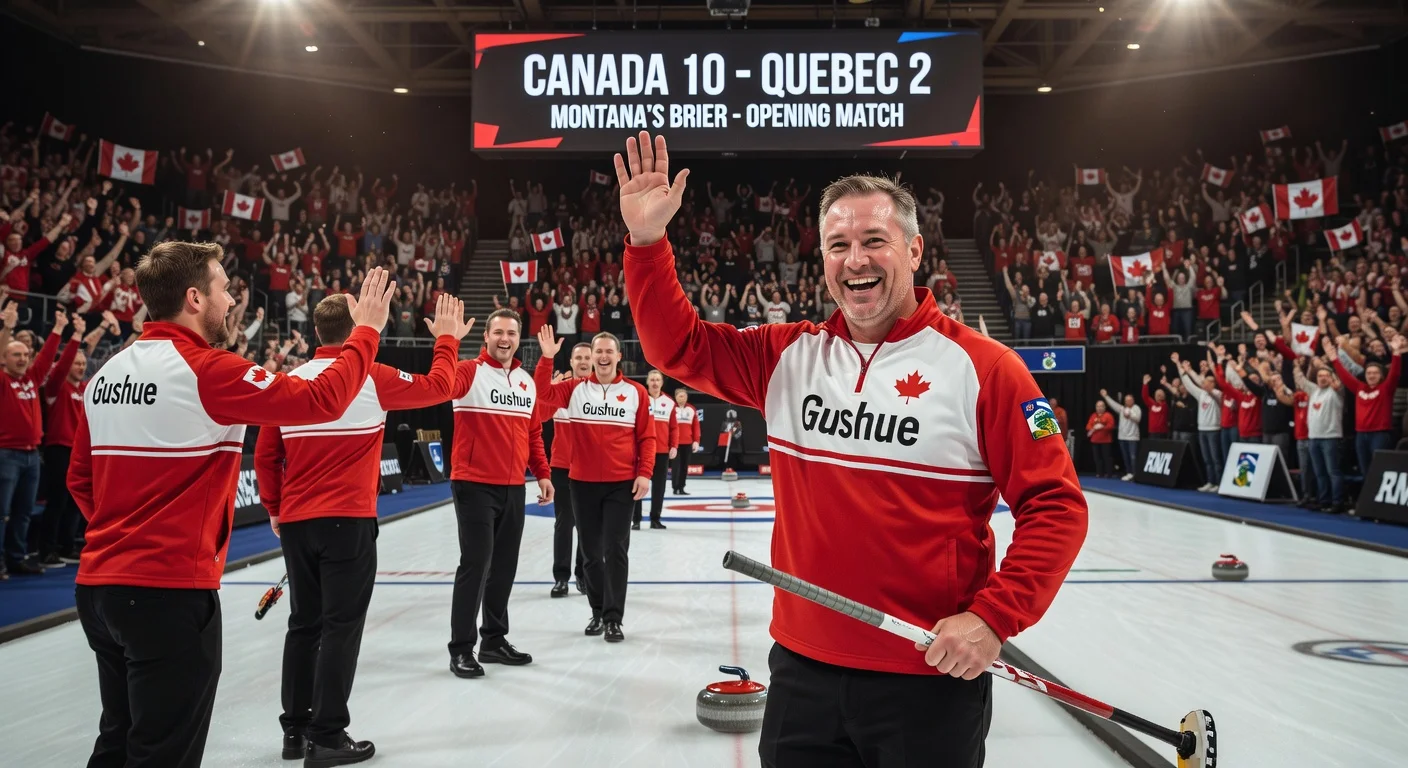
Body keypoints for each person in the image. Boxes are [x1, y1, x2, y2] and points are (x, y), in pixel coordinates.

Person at [615, 132, 1086, 767]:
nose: (854, 259)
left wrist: (992, 619)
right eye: (838, 245)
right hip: (802, 672)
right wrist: (647, 244)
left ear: (914, 250)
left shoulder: (987, 369)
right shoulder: (787, 355)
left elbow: (1056, 506)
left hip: (928, 678)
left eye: (873, 241)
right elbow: (679, 349)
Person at [68, 243, 395, 768]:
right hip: (168, 591)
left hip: (99, 586)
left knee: (118, 739)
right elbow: (321, 400)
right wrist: (367, 332)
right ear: (194, 297)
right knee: (162, 753)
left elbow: (80, 479)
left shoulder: (105, 375)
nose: (232, 299)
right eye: (224, 289)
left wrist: (124, 535)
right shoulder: (208, 370)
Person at [253, 293, 471, 765]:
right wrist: (447, 339)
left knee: (303, 625)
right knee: (340, 628)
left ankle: (294, 732)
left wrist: (274, 506)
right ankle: (328, 736)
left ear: (315, 333)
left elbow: (266, 455)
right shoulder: (372, 377)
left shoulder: (289, 380)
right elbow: (440, 386)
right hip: (347, 521)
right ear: (359, 329)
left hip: (295, 522)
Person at [445, 308, 553, 679]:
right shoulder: (467, 371)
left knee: (504, 567)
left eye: (511, 333)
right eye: (498, 332)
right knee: (476, 565)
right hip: (474, 483)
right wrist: (448, 340)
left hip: (512, 486)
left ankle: (492, 641)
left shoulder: (525, 381)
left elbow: (534, 434)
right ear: (486, 336)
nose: (504, 339)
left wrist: (542, 473)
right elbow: (440, 384)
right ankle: (461, 648)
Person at [534, 327, 654, 645]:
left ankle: (614, 618)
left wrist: (645, 473)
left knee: (615, 550)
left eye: (607, 351)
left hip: (621, 485)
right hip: (582, 483)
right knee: (589, 554)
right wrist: (547, 359)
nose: (602, 356)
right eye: (597, 351)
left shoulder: (635, 393)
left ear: (618, 356)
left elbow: (647, 436)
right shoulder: (573, 390)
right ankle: (598, 611)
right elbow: (541, 396)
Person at [1, 307, 81, 577]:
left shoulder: (33, 380)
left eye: (25, 354)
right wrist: (8, 330)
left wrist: (59, 330)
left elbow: (48, 359)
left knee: (23, 512)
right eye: (16, 355)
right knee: (2, 512)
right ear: (4, 358)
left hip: (32, 455)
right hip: (6, 454)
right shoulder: (2, 380)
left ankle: (15, 558)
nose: (23, 358)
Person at [545, 342, 592, 598]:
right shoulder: (558, 390)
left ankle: (583, 575)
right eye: (579, 357)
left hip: (590, 469)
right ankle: (561, 578)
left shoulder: (600, 392)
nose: (583, 361)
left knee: (586, 526)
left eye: (587, 357)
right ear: (572, 362)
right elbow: (539, 412)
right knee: (564, 524)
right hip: (562, 467)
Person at [1295, 348, 1345, 512]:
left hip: (1330, 437)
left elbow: (1339, 384)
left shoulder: (1336, 391)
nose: (1322, 378)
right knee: (1320, 472)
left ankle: (1337, 502)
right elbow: (1301, 380)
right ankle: (1324, 501)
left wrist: (1328, 362)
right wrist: (1296, 363)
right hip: (1313, 438)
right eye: (1320, 376)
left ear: (1332, 378)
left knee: (1333, 472)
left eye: (1326, 376)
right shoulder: (1314, 391)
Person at [1172, 352, 1225, 492]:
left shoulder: (1218, 394)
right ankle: (1210, 481)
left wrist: (1209, 389)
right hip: (1202, 430)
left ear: (1213, 383)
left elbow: (1216, 396)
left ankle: (1219, 483)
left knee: (1216, 459)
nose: (1205, 383)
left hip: (1214, 429)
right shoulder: (1201, 394)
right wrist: (1179, 365)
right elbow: (1188, 383)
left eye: (1208, 381)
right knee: (1207, 459)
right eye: (1205, 381)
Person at [632, 369, 677, 530]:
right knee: (637, 485)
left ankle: (655, 519)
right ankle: (635, 520)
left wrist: (674, 445)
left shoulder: (670, 402)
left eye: (658, 380)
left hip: (662, 453)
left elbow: (673, 427)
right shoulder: (640, 399)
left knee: (659, 488)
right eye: (652, 380)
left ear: (662, 382)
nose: (655, 383)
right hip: (642, 452)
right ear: (647, 382)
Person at [1101, 389, 1143, 481]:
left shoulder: (1136, 408)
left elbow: (1138, 419)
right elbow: (1113, 404)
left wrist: (1130, 416)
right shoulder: (1122, 408)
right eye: (1126, 400)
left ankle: (1136, 475)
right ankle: (1129, 473)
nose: (1128, 402)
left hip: (1133, 438)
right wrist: (1105, 396)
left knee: (1133, 457)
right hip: (1122, 437)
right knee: (1126, 456)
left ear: (1133, 401)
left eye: (1129, 400)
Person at [671, 387, 701, 494]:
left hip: (687, 443)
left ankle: (682, 487)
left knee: (684, 467)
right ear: (676, 397)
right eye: (680, 396)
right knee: (676, 466)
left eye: (685, 396)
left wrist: (696, 441)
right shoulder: (671, 409)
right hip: (675, 444)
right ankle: (675, 487)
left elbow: (696, 427)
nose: (683, 398)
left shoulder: (692, 409)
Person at [1086, 400, 1117, 478]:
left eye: (1101, 406)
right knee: (1097, 458)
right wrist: (1094, 427)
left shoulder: (1108, 415)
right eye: (1098, 406)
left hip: (1106, 441)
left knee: (1107, 458)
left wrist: (1102, 427)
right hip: (1095, 441)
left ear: (1104, 407)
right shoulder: (1093, 416)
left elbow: (1111, 426)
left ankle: (1109, 473)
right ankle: (1099, 473)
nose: (1099, 408)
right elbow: (1088, 426)